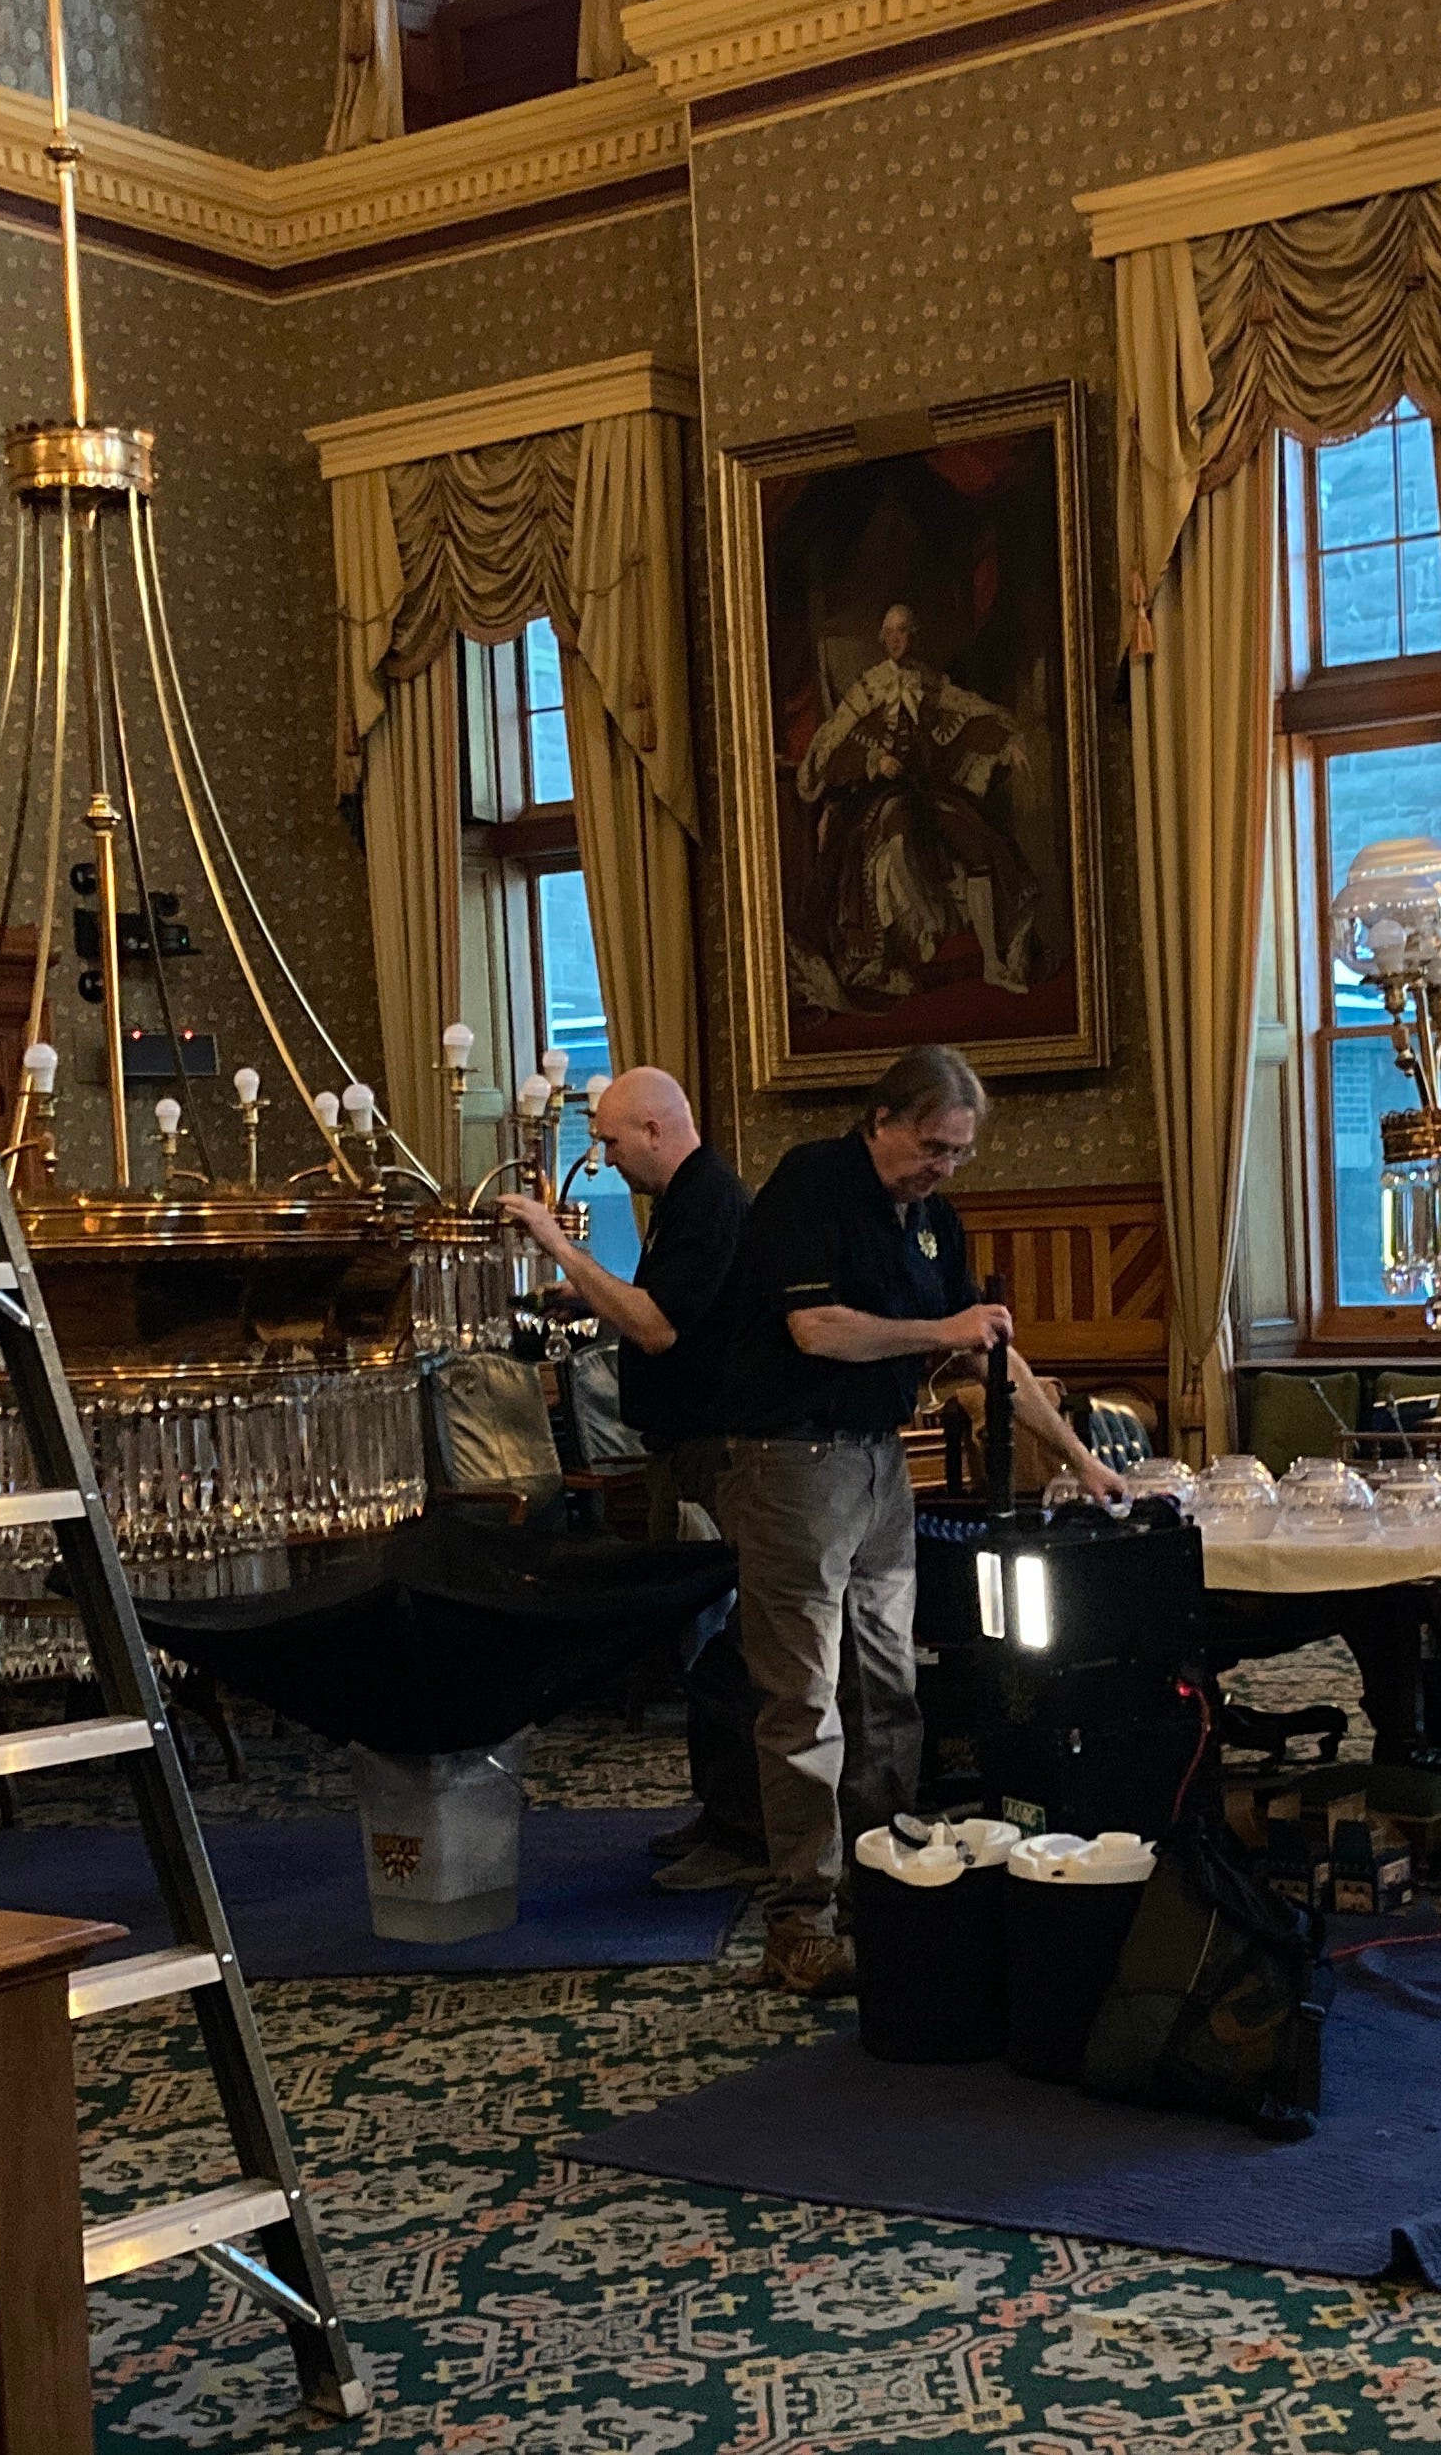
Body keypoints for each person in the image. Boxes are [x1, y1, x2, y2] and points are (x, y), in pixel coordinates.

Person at [708, 1043, 1121, 1996]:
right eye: (933, 1147)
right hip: (790, 1460)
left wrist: (1083, 1458)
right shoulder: (813, 1183)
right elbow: (817, 1329)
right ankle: (800, 1920)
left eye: (959, 1154)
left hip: (877, 1460)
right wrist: (942, 1331)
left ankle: (885, 1885)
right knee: (804, 1701)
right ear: (882, 1120)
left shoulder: (934, 1220)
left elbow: (991, 1356)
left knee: (890, 1689)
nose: (943, 1168)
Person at [495, 1066, 764, 1894]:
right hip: (688, 1448)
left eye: (611, 1141)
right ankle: (723, 1816)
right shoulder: (683, 1203)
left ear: (654, 1129)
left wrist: (560, 1246)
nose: (605, 1159)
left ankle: (744, 1834)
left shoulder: (708, 1200)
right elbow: (665, 1307)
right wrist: (584, 1299)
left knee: (732, 1655)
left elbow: (657, 1327)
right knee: (709, 1648)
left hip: (723, 1453)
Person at [789, 604, 1044, 1010]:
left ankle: (993, 963)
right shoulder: (869, 688)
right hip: (876, 795)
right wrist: (874, 761)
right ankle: (924, 923)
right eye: (889, 632)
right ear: (882, 638)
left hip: (923, 789)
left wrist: (1005, 744)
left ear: (914, 635)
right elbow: (834, 749)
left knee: (977, 843)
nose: (895, 639)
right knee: (898, 827)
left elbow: (969, 720)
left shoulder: (928, 683)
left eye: (902, 631)